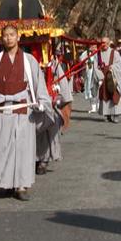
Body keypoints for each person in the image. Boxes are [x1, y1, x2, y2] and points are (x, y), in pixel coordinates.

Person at [0, 25, 57, 200]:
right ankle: (6, 184)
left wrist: (41, 104)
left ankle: (21, 186)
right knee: (1, 149)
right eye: (5, 35)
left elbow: (39, 87)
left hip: (24, 110)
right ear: (2, 39)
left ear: (18, 37)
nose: (8, 38)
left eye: (12, 35)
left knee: (23, 149)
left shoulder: (30, 61)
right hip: (0, 111)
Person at [38, 44, 73, 175]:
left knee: (49, 129)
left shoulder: (54, 65)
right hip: (33, 103)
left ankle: (44, 160)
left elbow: (63, 87)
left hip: (51, 103)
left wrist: (59, 99)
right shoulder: (27, 61)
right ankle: (36, 159)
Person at [93, 37, 121, 123]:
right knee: (104, 95)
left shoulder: (114, 53)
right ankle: (107, 115)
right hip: (103, 77)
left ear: (108, 43)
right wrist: (100, 76)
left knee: (114, 95)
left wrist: (112, 68)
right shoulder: (98, 54)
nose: (103, 44)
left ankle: (116, 115)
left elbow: (119, 65)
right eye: (102, 43)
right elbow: (95, 66)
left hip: (112, 77)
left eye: (104, 43)